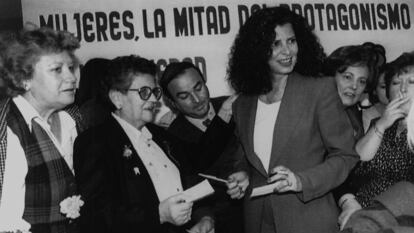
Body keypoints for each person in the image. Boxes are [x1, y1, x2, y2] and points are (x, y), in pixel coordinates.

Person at [226, 6, 359, 233]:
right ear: (257, 50)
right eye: (275, 44)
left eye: (291, 41)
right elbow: (244, 159)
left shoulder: (320, 89)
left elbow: (345, 156)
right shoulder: (242, 104)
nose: (287, 51)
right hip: (257, 220)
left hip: (308, 219)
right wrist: (242, 175)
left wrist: (300, 181)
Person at [73, 55, 214, 233]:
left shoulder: (162, 135)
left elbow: (193, 174)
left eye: (155, 92)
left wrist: (204, 218)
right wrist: (159, 214)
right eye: (144, 92)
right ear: (117, 98)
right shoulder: (95, 142)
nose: (154, 100)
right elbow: (96, 217)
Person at [0, 27, 81, 233]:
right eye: (57, 69)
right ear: (23, 79)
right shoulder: (7, 131)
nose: (71, 78)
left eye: (71, 68)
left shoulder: (72, 119)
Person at [159, 61, 242, 233]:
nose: (196, 100)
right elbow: (189, 186)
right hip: (218, 223)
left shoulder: (237, 106)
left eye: (198, 88)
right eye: (184, 96)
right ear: (172, 103)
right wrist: (205, 217)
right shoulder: (172, 137)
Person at [337, 52, 414, 229]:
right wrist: (382, 124)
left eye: (411, 82)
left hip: (399, 219)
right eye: (395, 83)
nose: (402, 89)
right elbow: (354, 163)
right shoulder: (379, 123)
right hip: (361, 214)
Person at [324, 44, 377, 140]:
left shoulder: (353, 114)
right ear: (331, 76)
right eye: (348, 77)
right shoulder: (312, 114)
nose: (354, 86)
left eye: (362, 81)